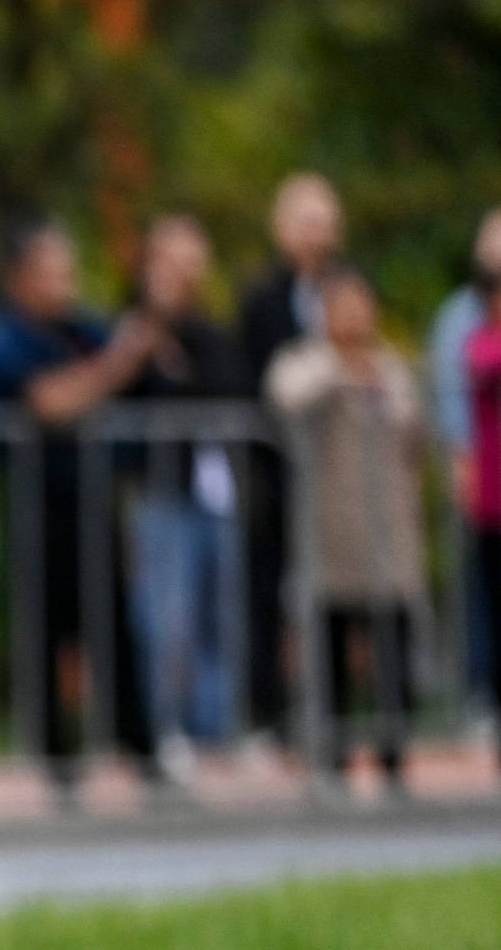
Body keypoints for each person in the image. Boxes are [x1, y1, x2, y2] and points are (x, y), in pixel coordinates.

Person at [0, 215, 161, 807]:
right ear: (20, 275)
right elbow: (49, 402)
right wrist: (115, 366)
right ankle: (58, 758)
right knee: (45, 629)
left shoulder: (79, 329)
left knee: (114, 625)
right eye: (56, 269)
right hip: (34, 503)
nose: (68, 281)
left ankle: (141, 746)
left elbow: (129, 358)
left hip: (91, 496)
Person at [272, 267, 425, 796]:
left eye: (362, 304)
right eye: (343, 305)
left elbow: (413, 430)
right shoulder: (302, 364)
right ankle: (333, 760)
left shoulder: (392, 369)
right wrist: (340, 370)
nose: (355, 316)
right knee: (332, 652)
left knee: (392, 651)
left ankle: (394, 756)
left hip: (391, 538)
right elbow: (287, 400)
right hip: (330, 537)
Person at [114, 215, 245, 779]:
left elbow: (226, 386)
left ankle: (212, 730)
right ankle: (164, 729)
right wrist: (152, 329)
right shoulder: (131, 330)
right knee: (167, 618)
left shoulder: (211, 329)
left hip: (214, 490)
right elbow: (133, 391)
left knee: (219, 613)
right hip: (160, 491)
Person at [237, 173, 345, 747]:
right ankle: (268, 716)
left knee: (338, 592)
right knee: (267, 593)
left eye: (324, 220)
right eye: (304, 220)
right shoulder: (260, 299)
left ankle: (333, 710)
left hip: (342, 474)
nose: (316, 233)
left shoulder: (351, 290)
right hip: (277, 474)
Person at [426, 207, 501, 736]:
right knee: (482, 588)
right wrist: (459, 462)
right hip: (487, 477)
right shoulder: (463, 320)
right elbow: (455, 393)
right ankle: (481, 693)